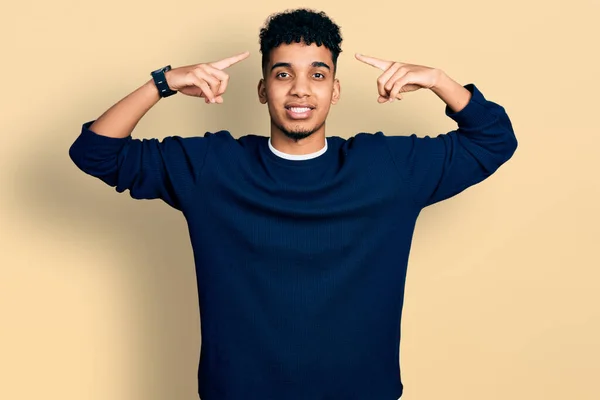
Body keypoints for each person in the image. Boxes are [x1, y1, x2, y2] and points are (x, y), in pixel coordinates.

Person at [68, 7, 518, 400]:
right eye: (284, 74)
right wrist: (162, 83)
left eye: (317, 74)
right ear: (263, 90)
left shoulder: (387, 166)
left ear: (335, 90)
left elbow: (495, 140)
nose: (300, 89)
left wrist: (438, 79)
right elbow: (94, 152)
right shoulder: (211, 166)